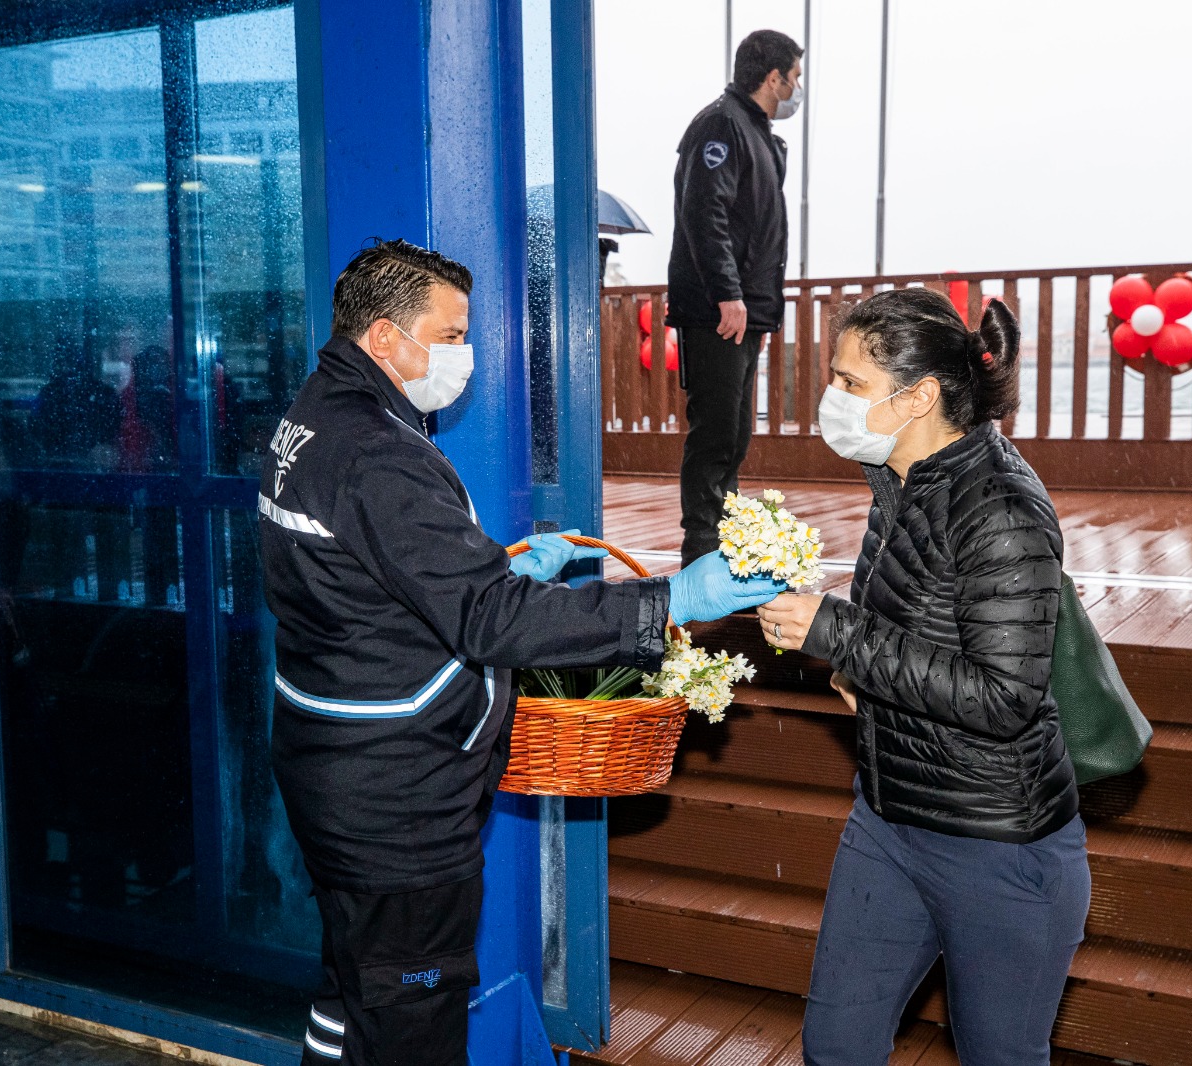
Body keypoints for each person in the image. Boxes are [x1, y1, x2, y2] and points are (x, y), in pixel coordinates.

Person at [257, 239, 782, 1066]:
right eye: (450, 334)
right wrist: (672, 601)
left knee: (354, 993)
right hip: (396, 800)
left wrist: (494, 567)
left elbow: (372, 577)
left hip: (332, 764)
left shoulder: (315, 416)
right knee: (411, 1021)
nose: (463, 355)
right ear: (385, 337)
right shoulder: (377, 451)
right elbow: (491, 622)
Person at [757, 289, 1089, 1066]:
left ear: (919, 397)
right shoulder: (897, 480)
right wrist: (855, 669)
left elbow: (1005, 699)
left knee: (1000, 1056)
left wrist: (837, 633)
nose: (833, 399)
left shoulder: (1001, 507)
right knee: (836, 1046)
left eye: (851, 383)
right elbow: (911, 635)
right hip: (888, 816)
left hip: (997, 842)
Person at [667, 29, 803, 564]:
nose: (797, 89)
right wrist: (728, 293)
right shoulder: (721, 125)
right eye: (795, 77)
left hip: (749, 311)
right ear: (773, 78)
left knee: (735, 436)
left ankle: (725, 548)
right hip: (719, 311)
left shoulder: (758, 134)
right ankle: (702, 554)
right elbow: (705, 212)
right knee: (716, 435)